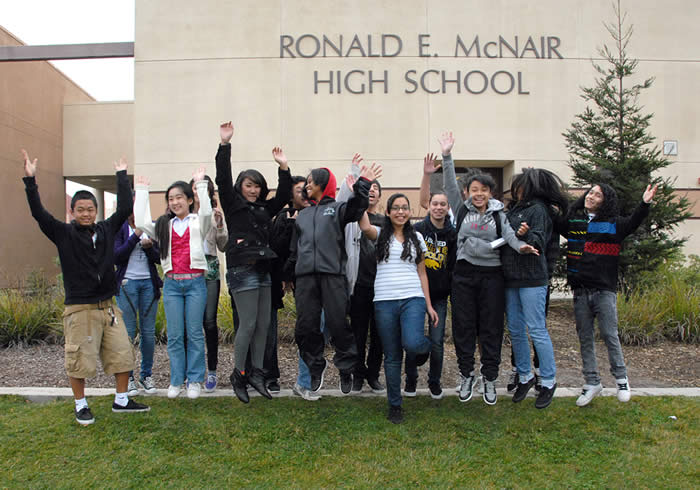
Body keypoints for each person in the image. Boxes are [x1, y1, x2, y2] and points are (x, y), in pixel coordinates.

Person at [21, 149, 149, 425]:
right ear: (72, 212)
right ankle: (81, 405)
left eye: (90, 209)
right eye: (81, 210)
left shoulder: (105, 229)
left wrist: (121, 176)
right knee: (78, 359)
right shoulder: (63, 233)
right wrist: (30, 181)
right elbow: (38, 214)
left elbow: (125, 209)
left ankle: (122, 400)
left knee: (122, 353)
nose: (87, 214)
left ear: (97, 210)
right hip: (80, 308)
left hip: (108, 306)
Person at [439, 132, 539, 406]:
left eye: (484, 190)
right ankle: (466, 374)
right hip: (463, 276)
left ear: (490, 192)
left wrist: (521, 247)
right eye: (474, 190)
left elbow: (509, 236)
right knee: (463, 327)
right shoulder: (461, 209)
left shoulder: (499, 213)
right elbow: (448, 185)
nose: (479, 194)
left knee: (491, 329)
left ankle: (490, 377)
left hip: (492, 277)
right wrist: (447, 156)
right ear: (467, 192)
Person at [558, 182, 657, 407]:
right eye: (590, 192)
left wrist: (645, 203)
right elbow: (555, 222)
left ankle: (621, 379)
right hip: (580, 291)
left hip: (603, 290)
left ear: (606, 201)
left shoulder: (613, 225)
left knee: (609, 334)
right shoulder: (576, 222)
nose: (591, 196)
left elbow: (633, 222)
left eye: (597, 195)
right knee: (585, 338)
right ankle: (592, 382)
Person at [215, 121, 292, 403]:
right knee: (247, 324)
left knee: (262, 325)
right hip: (242, 270)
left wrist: (283, 168)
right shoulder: (233, 205)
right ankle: (239, 374)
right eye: (249, 185)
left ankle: (258, 373)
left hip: (263, 271)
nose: (254, 190)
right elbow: (222, 178)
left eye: (258, 186)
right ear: (240, 187)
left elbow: (283, 196)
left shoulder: (263, 208)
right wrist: (225, 144)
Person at [288, 162, 378, 395]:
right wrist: (288, 277)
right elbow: (295, 250)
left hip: (333, 276)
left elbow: (357, 207)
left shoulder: (337, 209)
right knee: (305, 327)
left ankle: (346, 368)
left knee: (338, 324)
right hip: (306, 278)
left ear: (322, 184)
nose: (307, 185)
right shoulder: (302, 216)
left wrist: (364, 183)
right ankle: (315, 365)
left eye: (311, 181)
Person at [359, 193, 439, 424]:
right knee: (392, 357)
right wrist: (362, 190)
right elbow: (363, 224)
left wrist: (429, 305)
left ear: (409, 212)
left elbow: (422, 273)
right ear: (388, 212)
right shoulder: (379, 234)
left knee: (412, 343)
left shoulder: (418, 238)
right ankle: (395, 405)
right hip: (384, 301)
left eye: (405, 208)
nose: (401, 212)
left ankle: (425, 348)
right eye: (396, 208)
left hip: (412, 298)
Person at [134, 167, 211, 400]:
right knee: (176, 335)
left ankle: (195, 379)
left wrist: (201, 186)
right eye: (171, 198)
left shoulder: (199, 222)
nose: (175, 202)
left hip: (195, 283)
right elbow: (140, 221)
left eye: (179, 197)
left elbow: (207, 212)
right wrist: (142, 191)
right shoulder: (163, 226)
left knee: (195, 333)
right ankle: (177, 380)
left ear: (189, 200)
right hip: (172, 286)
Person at [501, 168, 568, 409]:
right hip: (510, 279)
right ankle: (525, 376)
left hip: (532, 279)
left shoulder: (538, 210)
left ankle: (548, 381)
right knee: (516, 330)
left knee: (537, 329)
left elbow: (539, 239)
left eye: (519, 185)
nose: (515, 190)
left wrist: (526, 235)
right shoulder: (513, 210)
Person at [408, 155, 457, 400]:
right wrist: (426, 175)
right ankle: (410, 380)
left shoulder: (452, 233)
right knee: (412, 340)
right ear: (430, 206)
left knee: (437, 342)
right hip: (416, 295)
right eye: (434, 203)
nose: (438, 207)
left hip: (439, 296)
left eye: (443, 204)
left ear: (448, 208)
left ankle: (434, 382)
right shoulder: (418, 230)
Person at [337, 155, 385, 394]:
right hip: (359, 286)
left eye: (377, 188)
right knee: (358, 333)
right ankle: (357, 374)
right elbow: (343, 201)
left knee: (380, 335)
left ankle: (373, 375)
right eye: (370, 187)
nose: (373, 191)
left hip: (383, 288)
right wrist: (355, 174)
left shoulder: (387, 221)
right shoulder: (351, 219)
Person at [114, 211, 163, 396]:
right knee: (128, 332)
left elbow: (160, 257)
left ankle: (146, 374)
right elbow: (116, 257)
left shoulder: (152, 227)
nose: (136, 214)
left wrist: (150, 248)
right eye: (132, 209)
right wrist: (134, 237)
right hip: (127, 284)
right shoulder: (120, 228)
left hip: (149, 284)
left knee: (148, 333)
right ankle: (128, 377)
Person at [187, 176, 228, 392]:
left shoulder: (215, 213)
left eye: (202, 186)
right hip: (187, 268)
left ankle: (212, 370)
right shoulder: (182, 213)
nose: (197, 190)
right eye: (194, 186)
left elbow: (223, 246)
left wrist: (220, 225)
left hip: (209, 266)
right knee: (190, 324)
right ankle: (192, 372)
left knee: (209, 322)